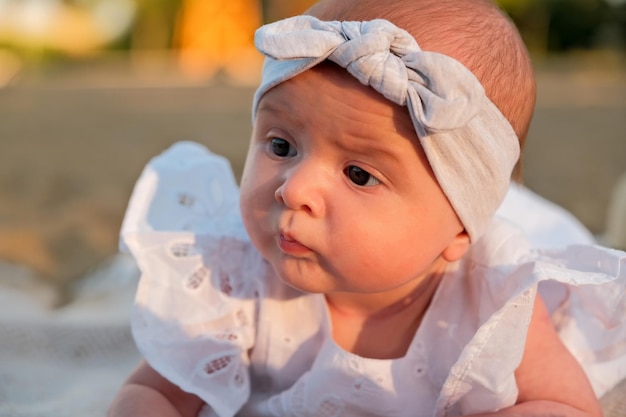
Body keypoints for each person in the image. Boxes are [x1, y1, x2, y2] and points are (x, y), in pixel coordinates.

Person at [108, 0, 626, 416]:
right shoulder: (234, 278)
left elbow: (564, 404)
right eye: (281, 145)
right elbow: (158, 394)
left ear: (459, 228)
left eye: (359, 174)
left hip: (517, 228)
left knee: (553, 227)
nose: (294, 189)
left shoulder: (493, 296)